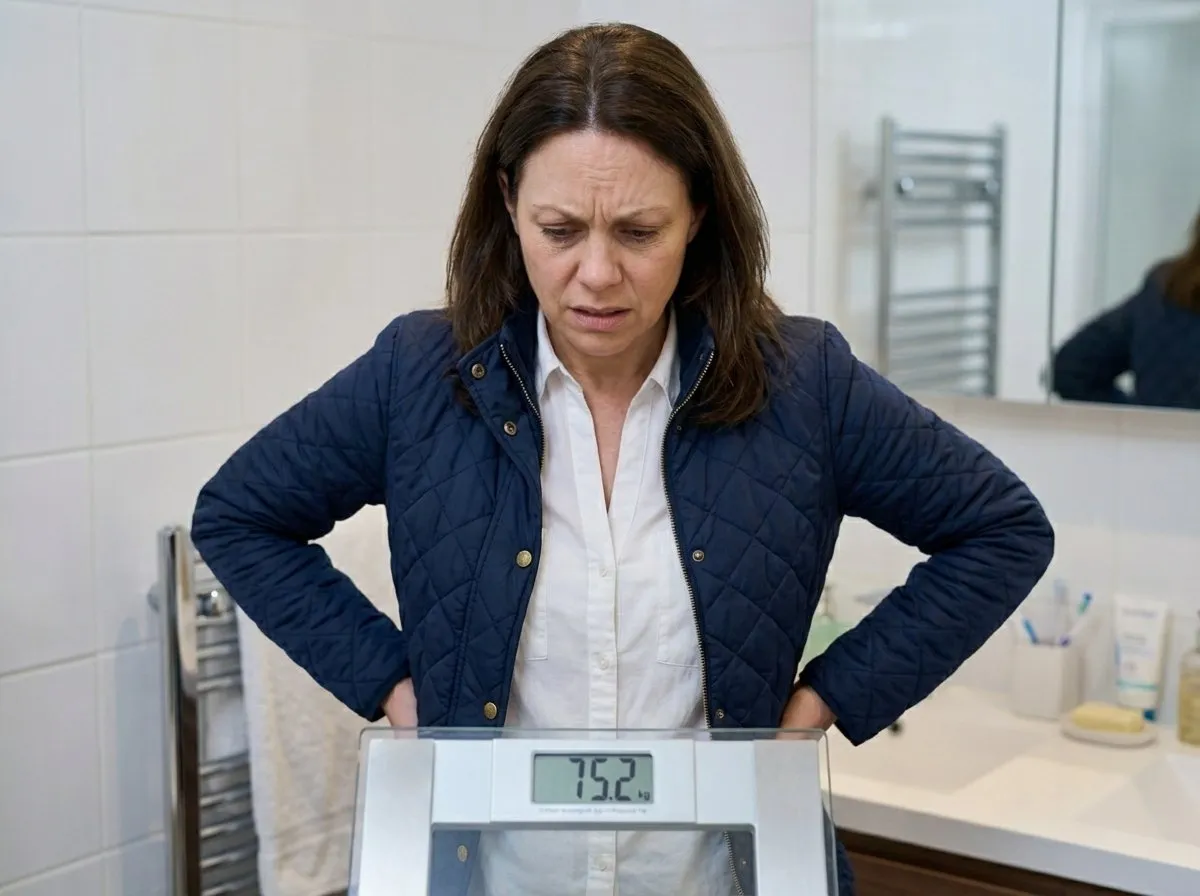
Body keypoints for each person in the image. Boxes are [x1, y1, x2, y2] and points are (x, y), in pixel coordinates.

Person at [191, 22, 1054, 896]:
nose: (596, 274)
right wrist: (393, 689)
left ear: (700, 215)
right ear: (507, 205)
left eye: (639, 232)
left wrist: (818, 707)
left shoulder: (804, 383)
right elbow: (238, 515)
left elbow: (1003, 531)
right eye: (558, 229)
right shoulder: (418, 375)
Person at [1052, 207, 1200, 410]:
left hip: (1154, 440)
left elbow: (1073, 368)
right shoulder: (1165, 288)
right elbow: (1073, 368)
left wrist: (1142, 423)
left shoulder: (1167, 287)